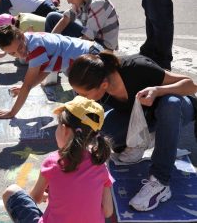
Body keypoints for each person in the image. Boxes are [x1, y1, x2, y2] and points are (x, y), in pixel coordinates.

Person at [68, 52, 197, 211]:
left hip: (177, 109)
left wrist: (157, 90)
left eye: (85, 94)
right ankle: (153, 137)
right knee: (102, 134)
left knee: (170, 104)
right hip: (144, 116)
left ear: (103, 85)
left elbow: (190, 84)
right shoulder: (100, 85)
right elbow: (83, 122)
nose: (82, 98)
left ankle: (160, 181)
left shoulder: (137, 67)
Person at [2, 96, 113, 223]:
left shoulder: (53, 162)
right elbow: (108, 211)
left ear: (64, 129)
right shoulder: (99, 164)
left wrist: (49, 195)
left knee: (11, 191)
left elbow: (35, 198)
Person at [0, 25, 103, 119]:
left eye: (19, 47)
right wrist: (23, 88)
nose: (20, 54)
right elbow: (45, 70)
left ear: (22, 36)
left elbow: (28, 84)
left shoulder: (35, 48)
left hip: (92, 59)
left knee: (86, 111)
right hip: (92, 53)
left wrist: (11, 113)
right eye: (12, 53)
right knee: (81, 107)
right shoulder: (29, 40)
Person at [45, 0, 119, 51]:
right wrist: (50, 42)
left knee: (69, 47)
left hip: (103, 47)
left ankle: (54, 54)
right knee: (52, 17)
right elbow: (66, 19)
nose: (69, 2)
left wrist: (68, 46)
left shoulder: (98, 4)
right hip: (90, 37)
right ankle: (49, 50)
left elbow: (86, 38)